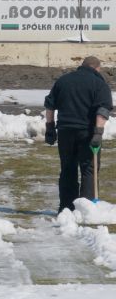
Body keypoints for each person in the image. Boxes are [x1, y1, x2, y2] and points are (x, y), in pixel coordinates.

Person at [44, 56, 112, 213]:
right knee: (89, 169)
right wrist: (98, 133)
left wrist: (49, 127)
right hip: (87, 132)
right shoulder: (99, 84)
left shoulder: (63, 81)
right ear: (97, 68)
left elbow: (49, 105)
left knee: (67, 168)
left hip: (65, 131)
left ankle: (66, 208)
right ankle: (85, 209)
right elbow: (103, 110)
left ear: (82, 66)